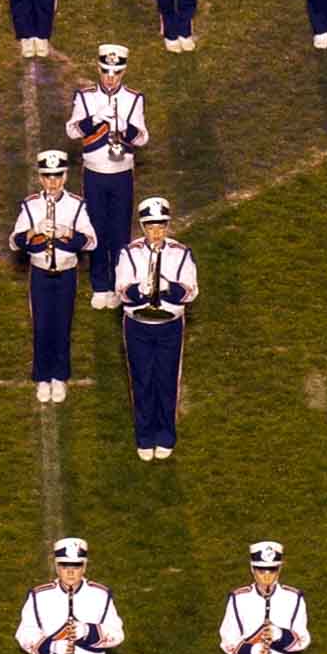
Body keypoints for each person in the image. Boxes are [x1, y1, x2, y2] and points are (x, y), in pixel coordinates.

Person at [10, 151, 97, 404]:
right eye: (47, 177)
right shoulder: (31, 205)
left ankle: (59, 376)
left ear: (65, 176)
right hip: (40, 274)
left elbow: (92, 241)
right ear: (40, 178)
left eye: (57, 176)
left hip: (66, 274)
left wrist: (67, 233)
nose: (52, 182)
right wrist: (33, 231)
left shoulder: (76, 205)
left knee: (62, 326)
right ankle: (42, 377)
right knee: (41, 326)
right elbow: (14, 242)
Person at [66, 45, 149, 309]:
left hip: (121, 174)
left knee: (120, 230)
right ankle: (100, 285)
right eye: (105, 71)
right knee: (97, 227)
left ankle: (119, 283)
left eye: (116, 72)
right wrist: (94, 119)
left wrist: (126, 127)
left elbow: (143, 138)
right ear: (98, 69)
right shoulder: (85, 97)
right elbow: (72, 131)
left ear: (123, 72)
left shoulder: (134, 99)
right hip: (94, 174)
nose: (110, 78)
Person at [115, 197, 196, 460]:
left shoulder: (181, 253)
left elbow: (191, 292)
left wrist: (167, 288)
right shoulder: (129, 253)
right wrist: (141, 290)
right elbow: (122, 292)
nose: (156, 233)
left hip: (168, 326)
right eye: (150, 227)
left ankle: (165, 435)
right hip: (138, 325)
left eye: (161, 226)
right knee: (142, 380)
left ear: (167, 225)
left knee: (167, 379)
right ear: (142, 227)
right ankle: (145, 436)